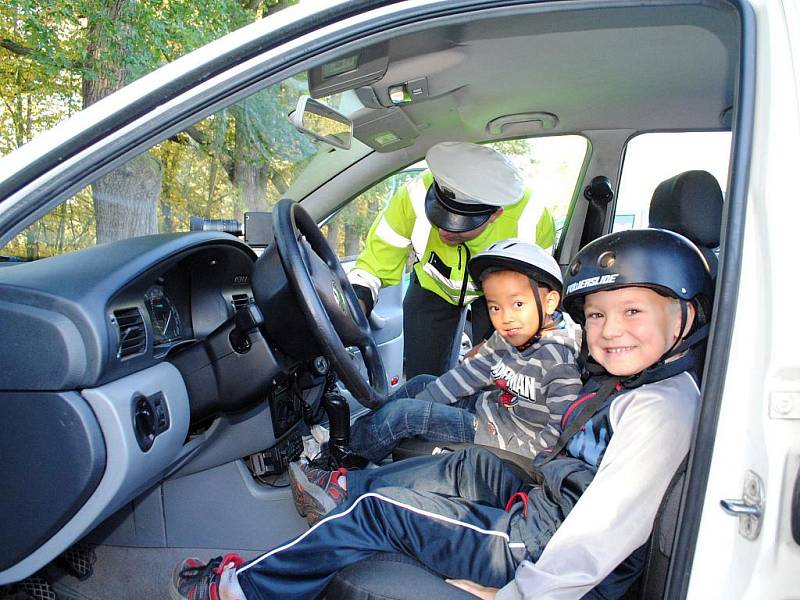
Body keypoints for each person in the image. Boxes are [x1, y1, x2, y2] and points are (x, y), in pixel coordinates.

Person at [171, 228, 713, 600]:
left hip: (537, 547)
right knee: (467, 467)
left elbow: (598, 539)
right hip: (547, 501)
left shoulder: (658, 412)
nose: (610, 330)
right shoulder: (629, 381)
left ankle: (246, 588)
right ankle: (343, 492)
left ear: (685, 316)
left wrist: (519, 593)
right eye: (596, 314)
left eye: (634, 311)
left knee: (382, 512)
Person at [336, 238, 582, 470]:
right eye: (495, 307)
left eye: (518, 304)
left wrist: (531, 463)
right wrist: (420, 401)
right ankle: (349, 435)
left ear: (549, 302)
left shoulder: (559, 361)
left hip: (507, 441)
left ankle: (342, 461)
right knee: (420, 382)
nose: (505, 318)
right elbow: (471, 374)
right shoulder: (510, 334)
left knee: (405, 414)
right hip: (491, 413)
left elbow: (562, 429)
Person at [348, 141, 556, 378]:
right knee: (422, 376)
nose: (444, 231)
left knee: (493, 373)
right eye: (439, 216)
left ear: (494, 215)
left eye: (460, 226)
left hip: (502, 297)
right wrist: (357, 300)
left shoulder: (531, 219)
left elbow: (534, 297)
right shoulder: (412, 195)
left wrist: (493, 344)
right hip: (432, 286)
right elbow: (374, 262)